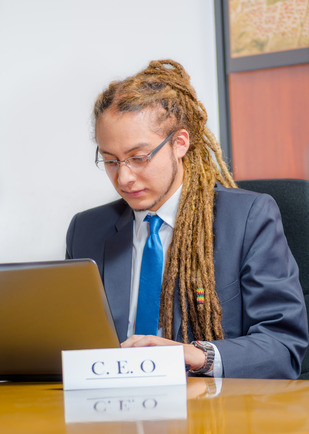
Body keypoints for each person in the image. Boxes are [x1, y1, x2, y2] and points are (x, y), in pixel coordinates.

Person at [66, 59, 308, 378]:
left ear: (180, 143)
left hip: (211, 411)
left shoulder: (248, 218)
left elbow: (282, 347)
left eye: (139, 158)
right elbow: (71, 342)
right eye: (110, 161)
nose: (124, 177)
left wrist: (197, 355)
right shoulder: (86, 230)